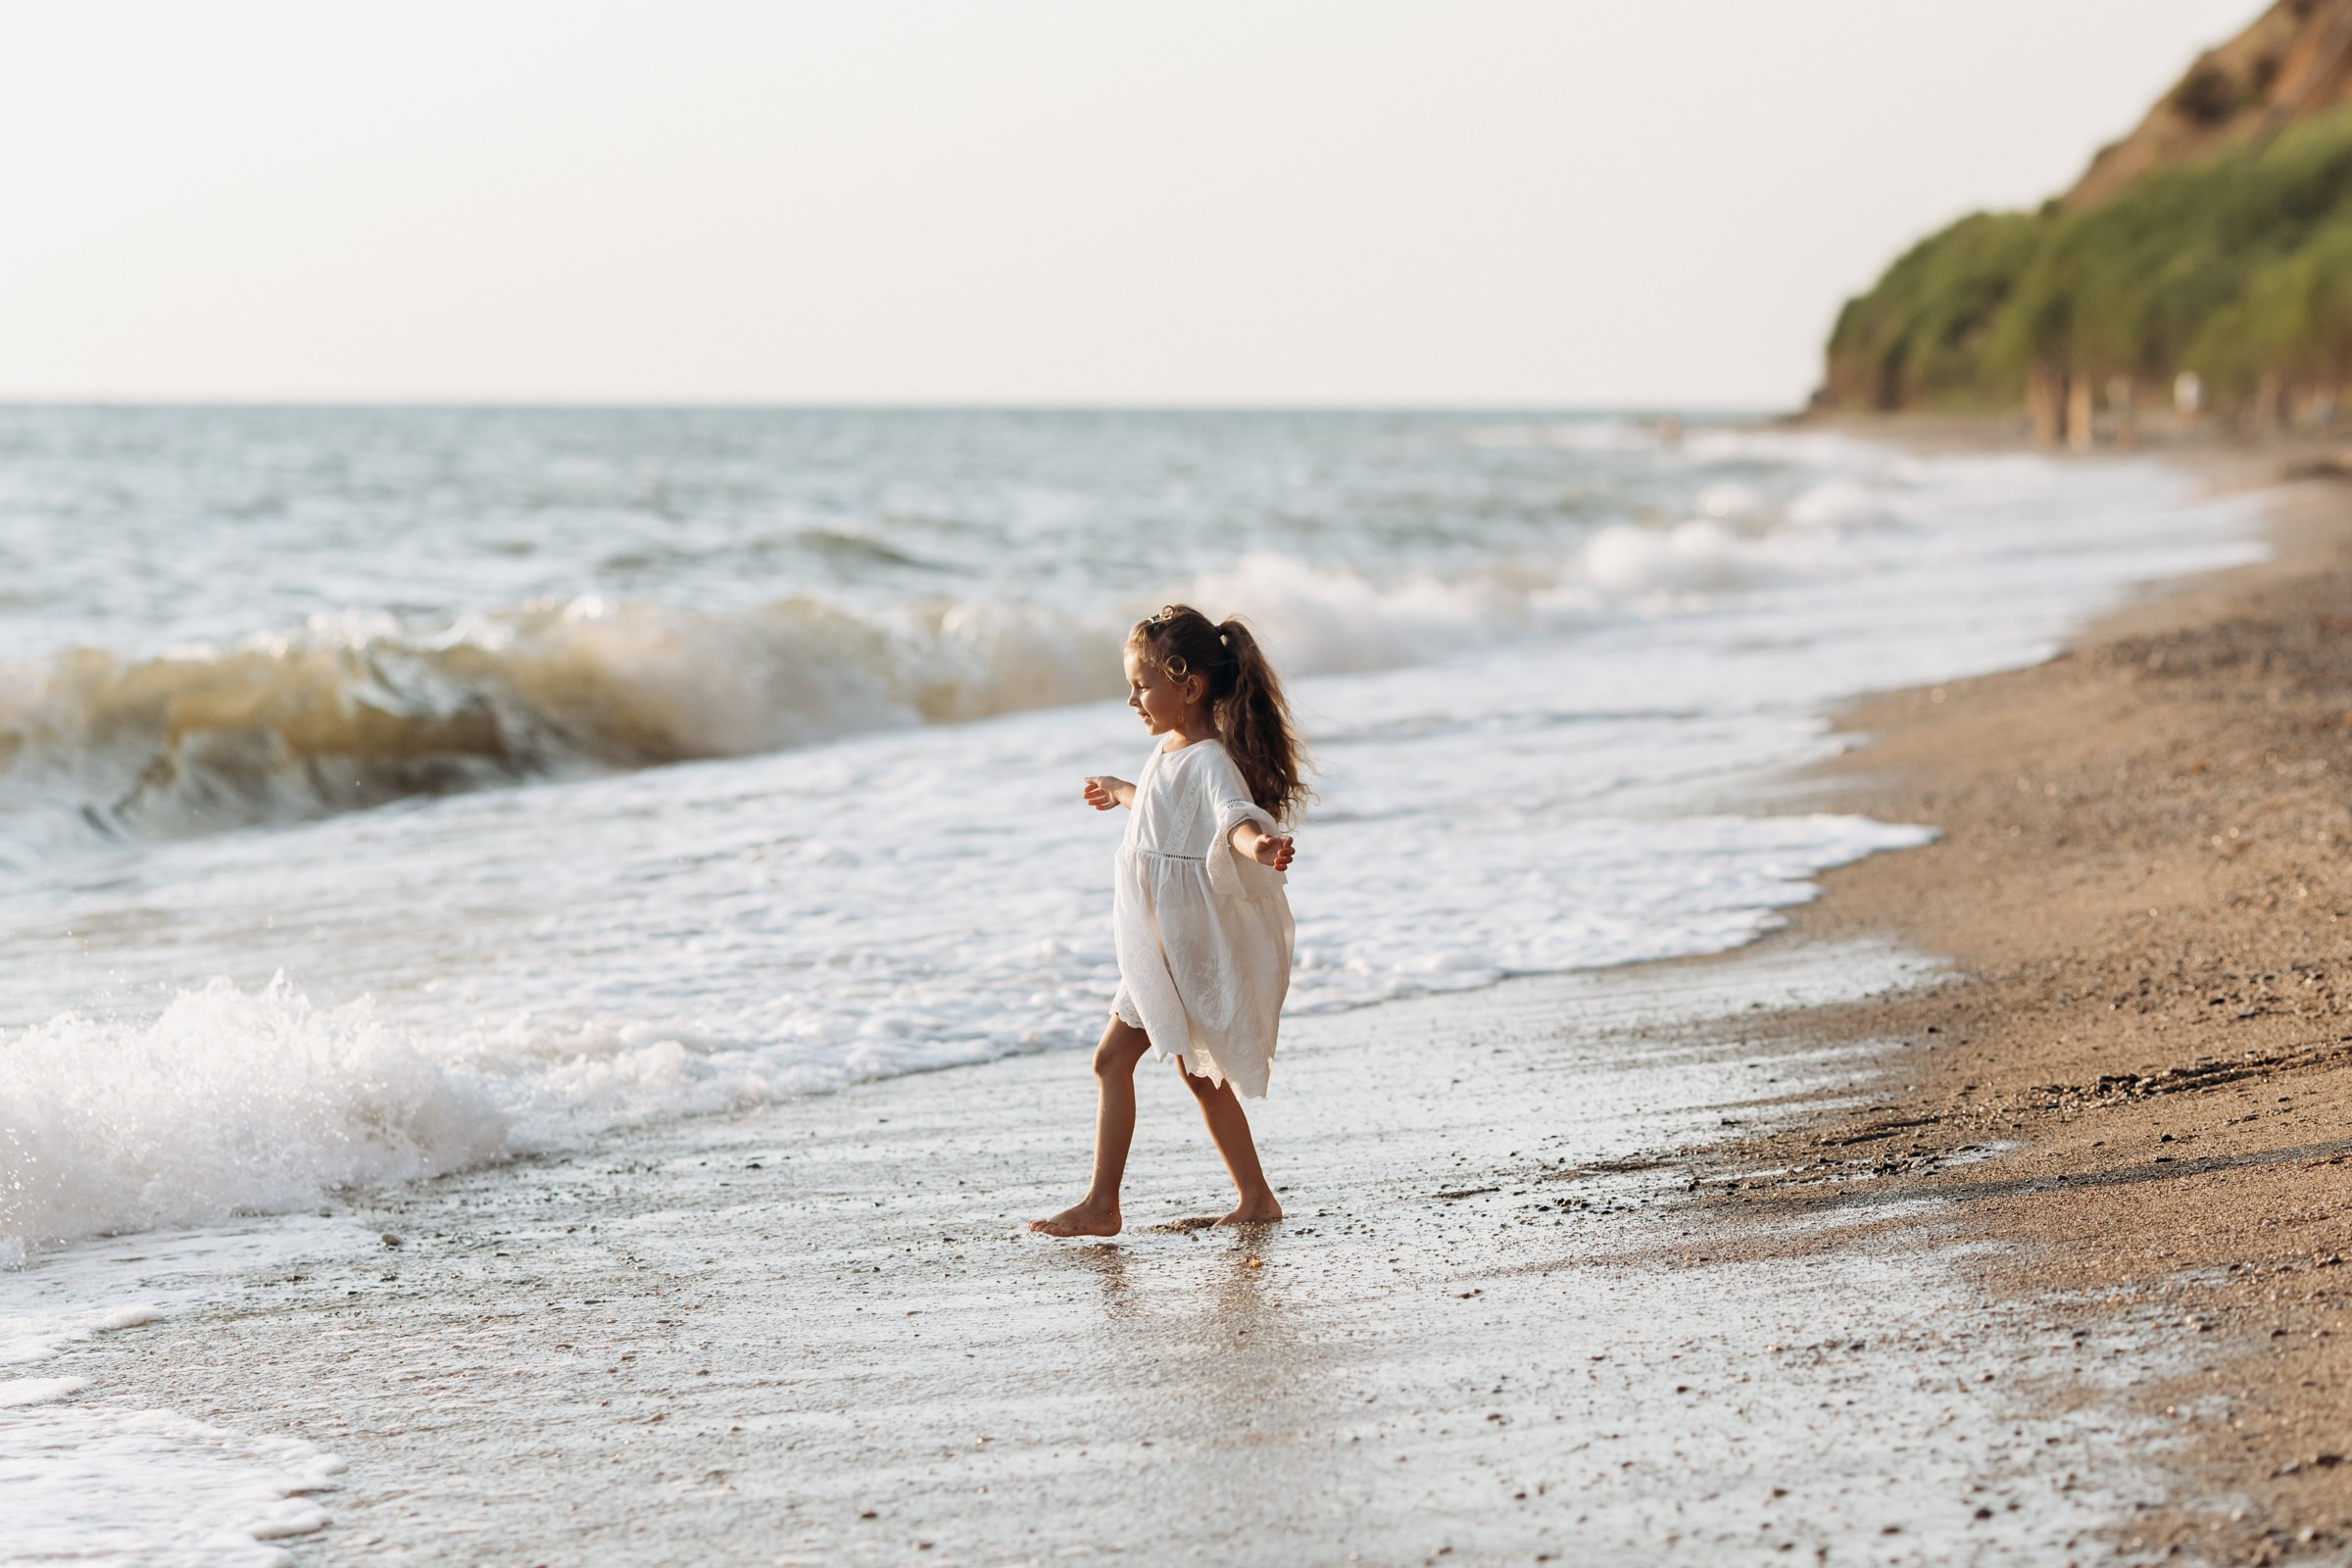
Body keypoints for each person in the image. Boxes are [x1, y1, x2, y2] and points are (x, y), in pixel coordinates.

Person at [1029, 604, 1304, 1237]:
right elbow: (1156, 802)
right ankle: (1255, 1197)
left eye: (1141, 685)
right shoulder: (1171, 751)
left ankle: (1104, 1205)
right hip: (1161, 946)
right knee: (1193, 1074)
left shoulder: (1210, 761)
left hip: (1183, 947)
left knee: (1116, 1061)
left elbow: (1231, 817)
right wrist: (1120, 789)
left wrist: (1261, 847)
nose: (1132, 700)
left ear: (1188, 685)